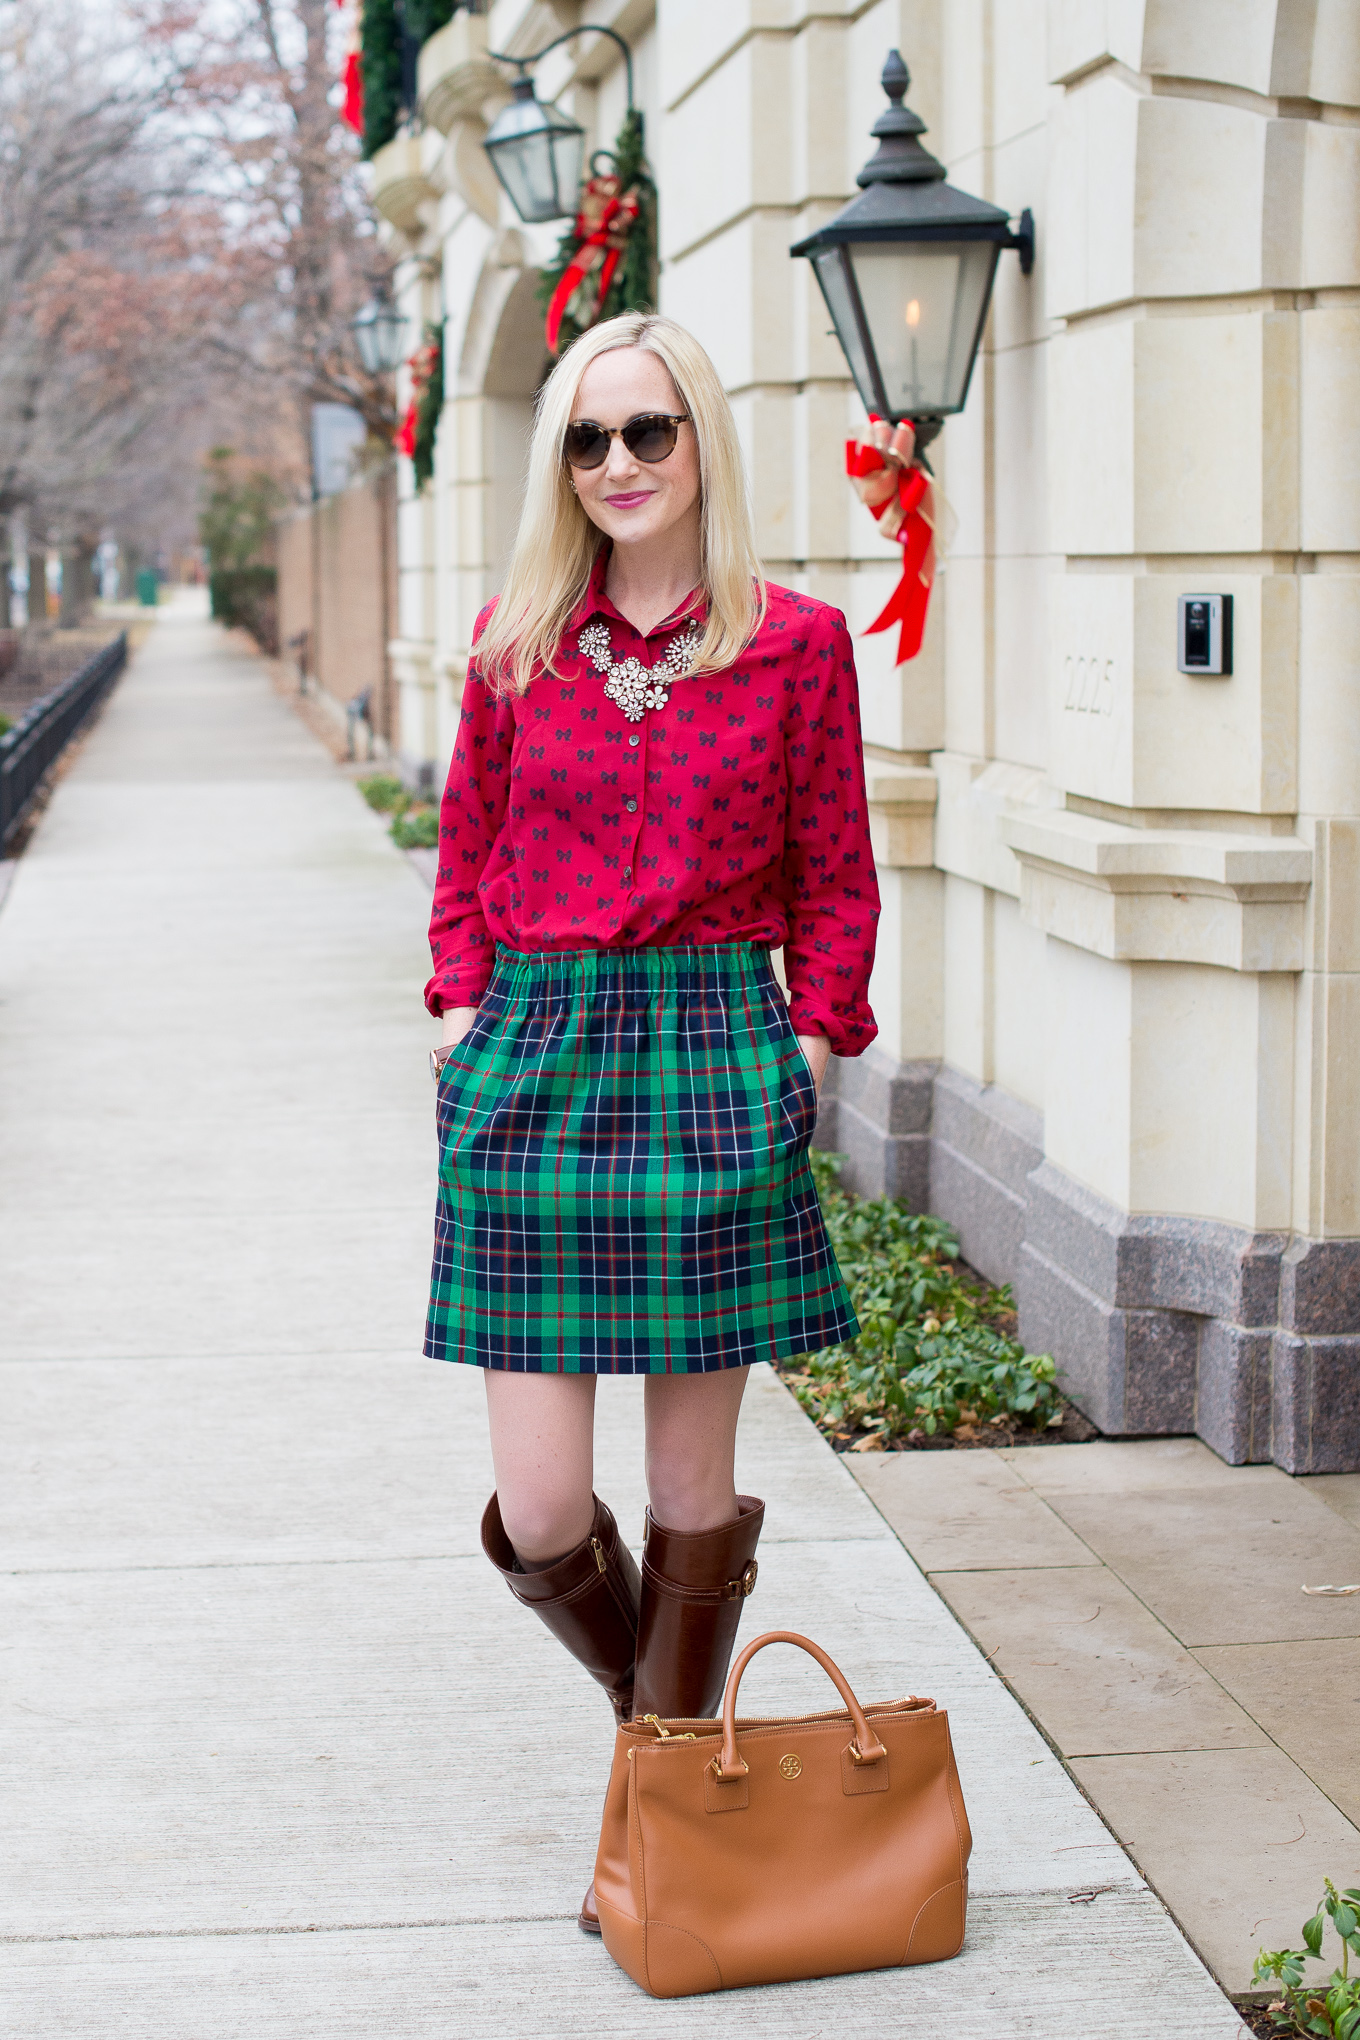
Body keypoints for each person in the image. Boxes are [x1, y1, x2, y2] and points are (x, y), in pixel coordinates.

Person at [422, 311, 880, 1934]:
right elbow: (463, 848)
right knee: (543, 1507)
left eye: (649, 432)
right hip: (533, 1054)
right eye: (587, 439)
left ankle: (669, 1827)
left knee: (693, 1499)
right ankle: (678, 1760)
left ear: (701, 449)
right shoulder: (512, 644)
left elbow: (835, 863)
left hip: (705, 1055)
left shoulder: (797, 645)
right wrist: (462, 1009)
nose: (618, 464)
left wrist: (814, 1036)